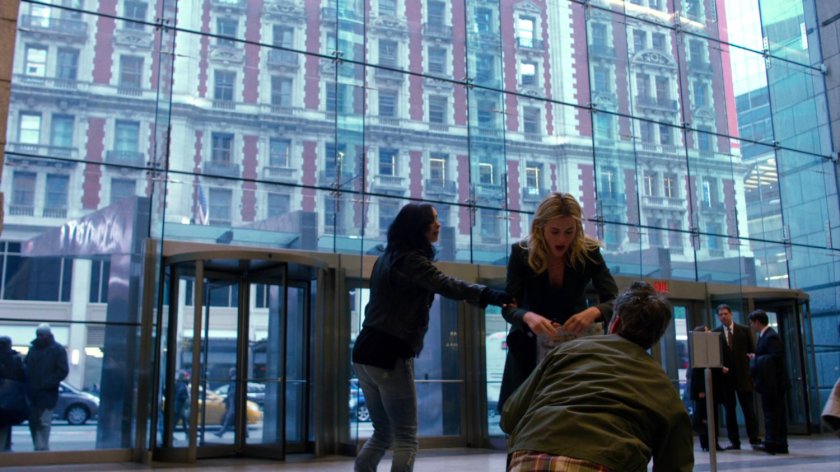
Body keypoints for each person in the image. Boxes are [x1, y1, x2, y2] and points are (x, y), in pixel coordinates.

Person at [352, 202, 512, 472]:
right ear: (418, 227)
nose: (439, 225)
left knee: (382, 434)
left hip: (365, 351)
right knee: (406, 438)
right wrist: (490, 295)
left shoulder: (386, 258)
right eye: (433, 220)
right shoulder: (411, 261)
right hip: (390, 352)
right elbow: (447, 284)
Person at [500, 281, 693, 472]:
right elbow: (677, 462)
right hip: (604, 463)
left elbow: (509, 417)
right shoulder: (661, 384)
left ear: (615, 322)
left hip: (528, 458)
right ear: (656, 337)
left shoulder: (566, 352)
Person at [498, 192, 617, 412]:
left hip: (574, 348)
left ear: (577, 229)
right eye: (555, 232)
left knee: (573, 412)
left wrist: (592, 313)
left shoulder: (589, 252)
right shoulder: (521, 253)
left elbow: (613, 299)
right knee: (525, 414)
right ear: (540, 228)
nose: (562, 239)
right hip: (527, 347)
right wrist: (527, 316)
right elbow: (508, 307)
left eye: (569, 232)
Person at [712, 304, 759, 449]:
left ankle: (754, 438)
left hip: (743, 376)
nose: (723, 317)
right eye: (720, 315)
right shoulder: (716, 333)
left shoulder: (744, 330)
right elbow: (715, 356)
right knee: (729, 411)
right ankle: (734, 441)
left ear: (731, 314)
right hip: (726, 378)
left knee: (748, 409)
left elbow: (752, 351)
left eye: (725, 313)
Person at [748, 309, 789, 455]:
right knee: (771, 413)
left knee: (773, 414)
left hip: (773, 384)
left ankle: (775, 442)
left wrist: (755, 359)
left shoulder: (771, 337)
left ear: (757, 322)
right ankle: (773, 441)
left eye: (752, 323)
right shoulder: (764, 336)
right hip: (769, 383)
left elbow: (775, 358)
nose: (751, 326)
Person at [24, 323, 69, 451]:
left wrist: (46, 383)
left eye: (42, 335)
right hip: (36, 391)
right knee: (34, 421)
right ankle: (39, 446)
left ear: (49, 335)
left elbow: (62, 371)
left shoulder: (57, 350)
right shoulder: (36, 349)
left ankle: (41, 446)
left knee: (43, 421)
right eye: (38, 335)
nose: (40, 337)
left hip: (46, 392)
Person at [686, 326, 724, 452]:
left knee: (708, 417)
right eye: (707, 331)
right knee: (707, 417)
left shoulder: (702, 349)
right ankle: (709, 442)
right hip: (704, 391)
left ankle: (709, 443)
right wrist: (701, 391)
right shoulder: (700, 351)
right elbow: (698, 373)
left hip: (707, 389)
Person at [0, 336, 27, 451]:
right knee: (6, 423)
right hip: (10, 396)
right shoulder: (15, 359)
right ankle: (5, 447)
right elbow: (23, 376)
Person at [215, 367, 237, 437]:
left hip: (233, 403)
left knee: (229, 417)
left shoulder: (234, 380)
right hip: (234, 402)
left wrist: (228, 400)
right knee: (241, 419)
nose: (229, 373)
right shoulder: (234, 380)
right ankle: (245, 434)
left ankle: (221, 432)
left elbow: (232, 393)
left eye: (230, 372)